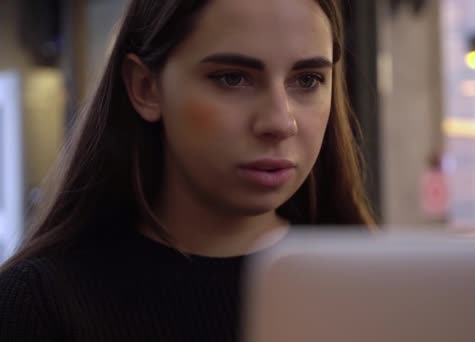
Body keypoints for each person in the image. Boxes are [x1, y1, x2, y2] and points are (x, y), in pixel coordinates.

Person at [0, 0, 375, 341]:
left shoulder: (377, 286)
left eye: (307, 80)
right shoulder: (39, 304)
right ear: (145, 87)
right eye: (232, 77)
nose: (280, 122)